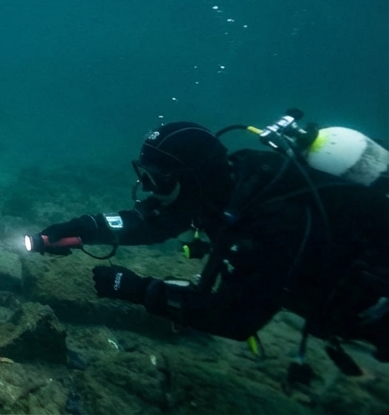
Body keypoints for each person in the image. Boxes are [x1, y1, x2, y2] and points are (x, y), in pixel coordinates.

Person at [30, 113, 389, 377]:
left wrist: (136, 288)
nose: (150, 189)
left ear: (191, 180)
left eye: (159, 180)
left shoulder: (275, 224)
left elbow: (234, 319)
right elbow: (154, 222)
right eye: (145, 176)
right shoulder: (227, 186)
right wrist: (86, 227)